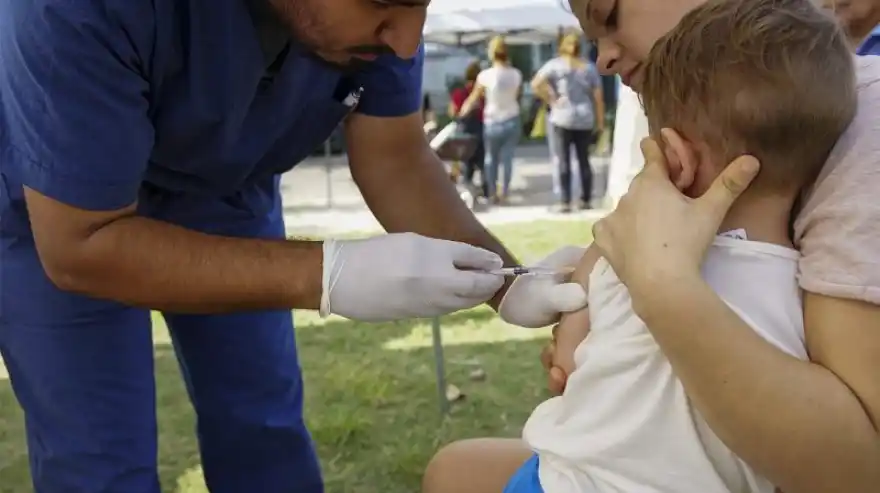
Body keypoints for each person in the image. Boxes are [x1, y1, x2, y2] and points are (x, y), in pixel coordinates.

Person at [0, 0, 578, 491]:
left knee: (263, 425)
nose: (405, 43)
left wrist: (508, 283)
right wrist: (325, 272)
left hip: (226, 189)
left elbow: (396, 158)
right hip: (61, 201)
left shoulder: (377, 30)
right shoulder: (70, 9)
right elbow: (82, 244)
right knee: (98, 456)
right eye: (382, 2)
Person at [422, 0, 880, 492]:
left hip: (570, 482)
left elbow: (571, 353)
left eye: (610, 15)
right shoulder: (801, 298)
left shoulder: (629, 253)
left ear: (677, 159)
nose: (603, 59)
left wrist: (638, 290)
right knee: (454, 470)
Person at [531, 33, 605, 212]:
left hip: (562, 116)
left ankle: (565, 201)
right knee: (584, 160)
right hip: (584, 117)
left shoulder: (555, 65)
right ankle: (585, 199)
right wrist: (601, 123)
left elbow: (535, 84)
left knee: (563, 160)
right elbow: (598, 97)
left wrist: (551, 99)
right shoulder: (588, 68)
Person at [459, 35, 523, 205]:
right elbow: (517, 96)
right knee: (508, 158)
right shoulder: (516, 74)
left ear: (491, 53)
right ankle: (505, 191)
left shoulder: (485, 76)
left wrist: (463, 111)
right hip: (512, 118)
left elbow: (474, 98)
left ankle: (492, 192)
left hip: (492, 120)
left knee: (490, 159)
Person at [449, 60, 488, 200]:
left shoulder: (458, 93)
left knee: (467, 161)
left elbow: (453, 112)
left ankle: (468, 190)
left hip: (464, 131)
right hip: (480, 128)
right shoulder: (482, 93)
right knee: (483, 161)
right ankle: (486, 190)